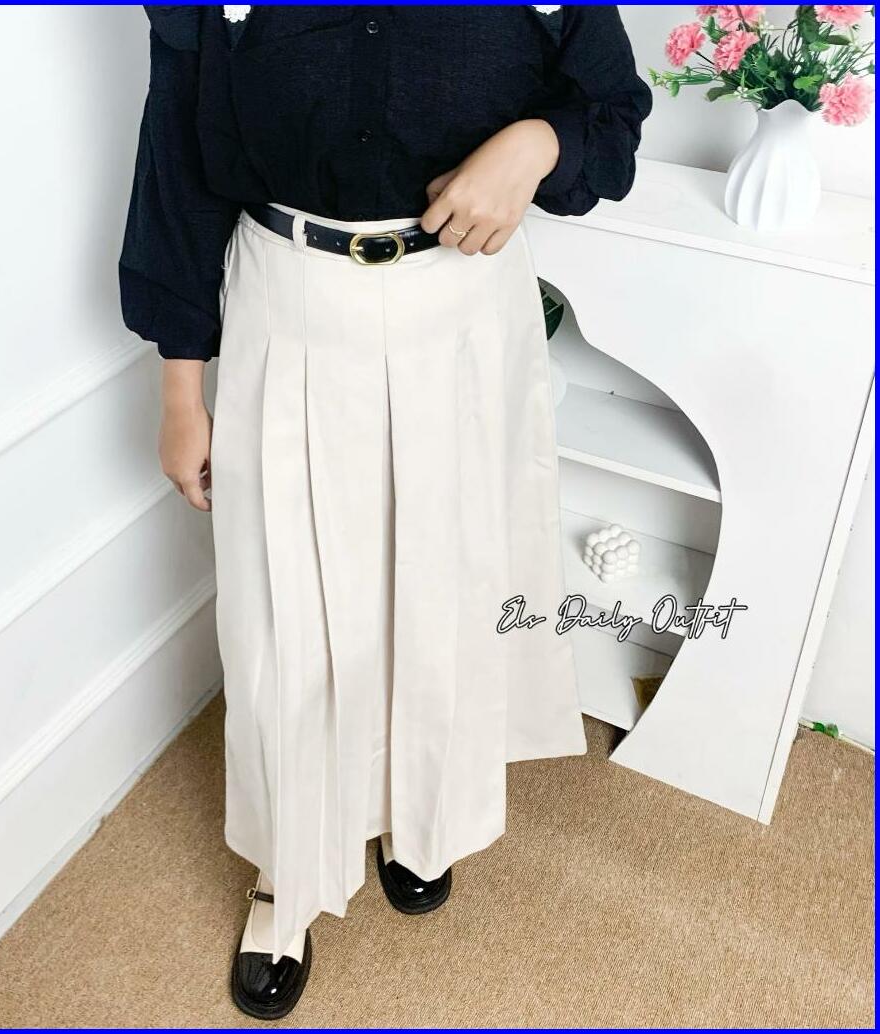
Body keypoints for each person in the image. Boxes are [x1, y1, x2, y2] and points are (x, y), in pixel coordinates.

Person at [120, 4, 651, 1019]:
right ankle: (285, 872)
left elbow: (611, 114)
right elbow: (176, 160)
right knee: (288, 624)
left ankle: (423, 813)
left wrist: (537, 142)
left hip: (463, 311)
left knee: (443, 594)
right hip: (287, 303)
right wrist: (180, 391)